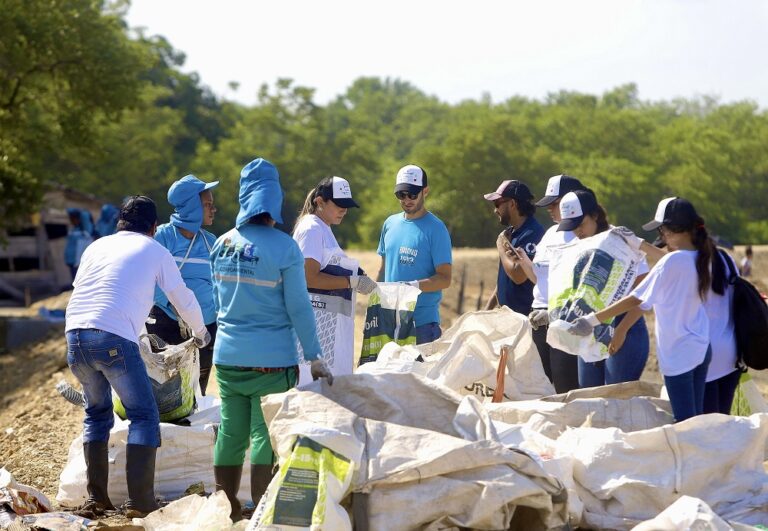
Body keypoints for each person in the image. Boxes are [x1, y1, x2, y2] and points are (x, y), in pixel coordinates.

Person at [65, 196, 209, 518]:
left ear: (120, 223)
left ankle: (97, 498)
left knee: (96, 414)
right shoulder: (155, 250)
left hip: (75, 336)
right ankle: (141, 502)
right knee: (144, 415)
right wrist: (200, 333)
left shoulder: (96, 246)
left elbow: (92, 290)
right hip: (113, 339)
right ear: (154, 227)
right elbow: (181, 297)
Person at [210, 157, 332, 521]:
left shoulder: (222, 244)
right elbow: (299, 307)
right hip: (272, 361)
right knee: (264, 432)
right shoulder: (284, 247)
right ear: (274, 200)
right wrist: (314, 355)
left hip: (228, 359)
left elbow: (217, 302)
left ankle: (227, 509)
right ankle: (261, 511)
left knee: (231, 432)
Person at [567, 197, 713, 422]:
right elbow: (669, 263)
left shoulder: (672, 263)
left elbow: (636, 298)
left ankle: (693, 457)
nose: (661, 237)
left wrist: (592, 320)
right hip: (701, 346)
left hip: (678, 353)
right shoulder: (703, 258)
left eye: (662, 231)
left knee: (684, 423)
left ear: (675, 229)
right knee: (696, 419)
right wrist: (641, 244)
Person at [554, 190, 652, 387]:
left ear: (595, 216)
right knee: (589, 397)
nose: (577, 232)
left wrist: (622, 330)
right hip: (588, 328)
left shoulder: (620, 240)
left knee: (616, 401)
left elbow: (644, 294)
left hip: (624, 327)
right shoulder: (578, 245)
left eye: (581, 225)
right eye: (572, 227)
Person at [292, 176, 377, 384]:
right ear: (320, 201)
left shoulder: (323, 227)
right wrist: (351, 281)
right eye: (340, 205)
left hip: (327, 329)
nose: (344, 211)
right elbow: (308, 277)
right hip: (317, 327)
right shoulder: (312, 228)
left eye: (347, 206)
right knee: (314, 391)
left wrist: (356, 274)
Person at [147, 175, 219, 395]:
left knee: (198, 390)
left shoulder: (211, 241)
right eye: (207, 204)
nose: (213, 209)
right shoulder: (163, 237)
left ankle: (194, 429)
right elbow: (150, 280)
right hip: (167, 325)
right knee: (165, 391)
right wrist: (181, 314)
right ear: (191, 207)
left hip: (205, 329)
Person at [377, 164, 452, 344]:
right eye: (401, 195)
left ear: (425, 191)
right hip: (389, 322)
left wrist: (411, 286)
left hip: (422, 325)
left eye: (412, 194)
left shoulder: (436, 229)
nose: (406, 200)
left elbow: (445, 278)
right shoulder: (389, 224)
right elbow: (383, 270)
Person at [525, 174, 587, 393]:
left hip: (564, 318)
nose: (550, 209)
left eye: (555, 203)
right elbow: (540, 277)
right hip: (539, 319)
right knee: (540, 389)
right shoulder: (551, 233)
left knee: (565, 387)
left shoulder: (582, 236)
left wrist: (552, 313)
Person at [482, 180, 545, 316]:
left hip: (526, 320)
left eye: (497, 204)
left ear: (512, 203)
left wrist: (500, 246)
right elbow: (507, 276)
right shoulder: (511, 233)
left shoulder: (532, 233)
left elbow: (518, 276)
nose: (495, 210)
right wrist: (487, 309)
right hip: (509, 318)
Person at [64, 208, 94, 282]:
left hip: (77, 263)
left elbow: (81, 249)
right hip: (71, 261)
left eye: (73, 218)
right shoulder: (74, 230)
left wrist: (78, 262)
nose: (71, 220)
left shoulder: (84, 234)